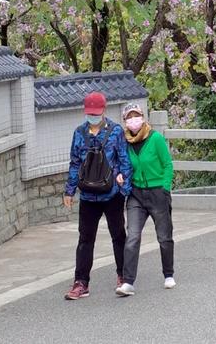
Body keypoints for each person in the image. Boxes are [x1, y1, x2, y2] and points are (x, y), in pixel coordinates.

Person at [63, 91, 132, 300]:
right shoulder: (79, 133)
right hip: (88, 197)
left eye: (96, 113)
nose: (93, 116)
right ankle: (81, 282)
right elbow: (75, 163)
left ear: (104, 110)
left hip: (112, 194)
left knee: (118, 235)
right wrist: (69, 190)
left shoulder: (115, 131)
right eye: (90, 113)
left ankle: (123, 276)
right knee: (85, 238)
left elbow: (124, 161)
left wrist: (124, 188)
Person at [116, 102, 176, 296]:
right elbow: (121, 163)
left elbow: (167, 164)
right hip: (136, 194)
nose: (133, 120)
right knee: (132, 236)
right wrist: (120, 175)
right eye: (129, 118)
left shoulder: (155, 138)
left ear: (143, 117)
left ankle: (168, 274)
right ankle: (128, 282)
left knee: (164, 237)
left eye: (136, 116)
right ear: (125, 121)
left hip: (157, 191)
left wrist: (165, 188)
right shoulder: (124, 142)